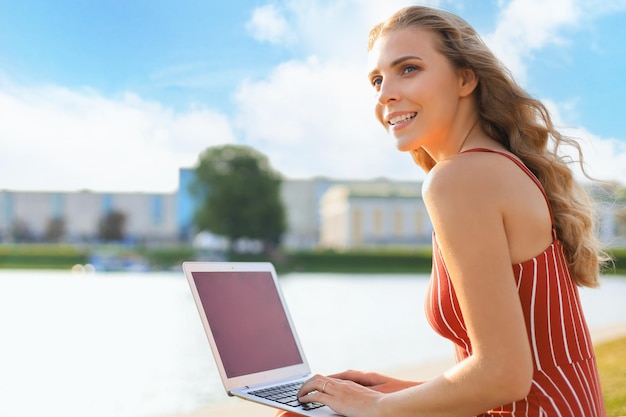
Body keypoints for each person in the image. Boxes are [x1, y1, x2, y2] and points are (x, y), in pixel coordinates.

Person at [278, 5, 609, 417]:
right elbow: (526, 377)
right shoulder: (495, 167)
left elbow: (505, 376)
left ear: (466, 78)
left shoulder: (460, 179)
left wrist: (378, 407)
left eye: (409, 69)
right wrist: (387, 391)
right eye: (377, 80)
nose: (384, 95)